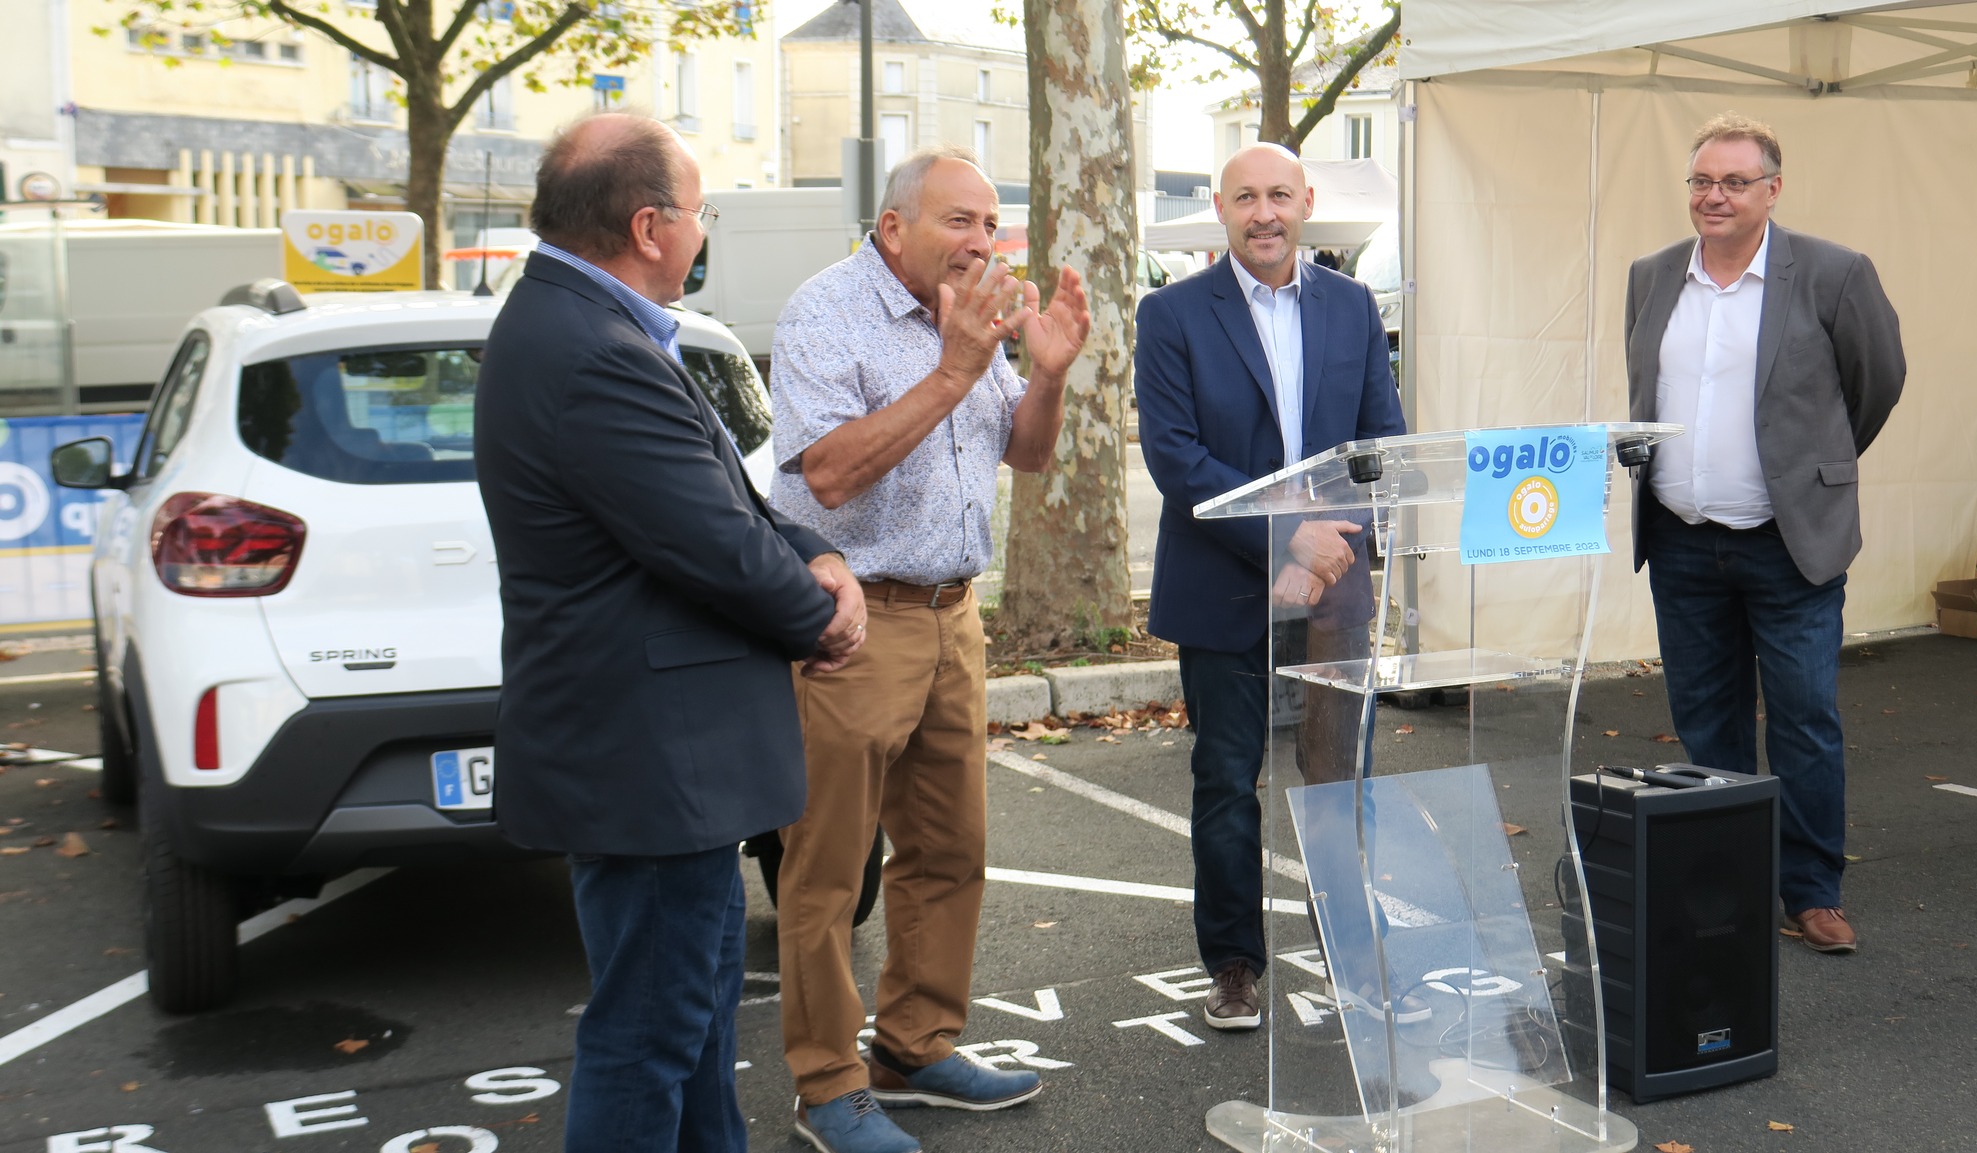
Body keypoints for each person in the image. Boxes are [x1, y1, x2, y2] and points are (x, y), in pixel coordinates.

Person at [474, 112, 866, 1153]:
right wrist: (820, 615)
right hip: (653, 765)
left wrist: (816, 555)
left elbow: (733, 506)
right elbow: (712, 548)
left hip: (662, 762)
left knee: (686, 1030)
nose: (705, 231)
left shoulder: (588, 330)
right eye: (701, 213)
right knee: (648, 1037)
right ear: (650, 227)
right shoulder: (590, 350)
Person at [768, 145, 1092, 1153]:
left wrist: (1042, 374)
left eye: (990, 222)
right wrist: (956, 366)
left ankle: (911, 1046)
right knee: (826, 872)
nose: (983, 241)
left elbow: (1026, 452)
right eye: (961, 221)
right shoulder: (824, 312)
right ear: (893, 225)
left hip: (956, 612)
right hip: (853, 619)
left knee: (949, 850)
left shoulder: (975, 311)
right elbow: (825, 475)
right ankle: (826, 1084)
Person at [1134, 142, 1406, 1033]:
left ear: (1306, 203)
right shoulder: (1171, 314)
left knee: (1336, 772)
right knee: (1225, 780)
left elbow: (1382, 447)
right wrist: (1288, 535)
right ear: (1220, 207)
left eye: (1279, 195)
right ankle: (1235, 966)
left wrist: (1327, 549)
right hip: (1223, 584)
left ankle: (1348, 952)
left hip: (1333, 586)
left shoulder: (1353, 306)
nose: (1264, 213)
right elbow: (1176, 458)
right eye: (1246, 196)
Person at [1625, 112, 1905, 955]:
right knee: (1706, 725)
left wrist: (1812, 468)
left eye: (1734, 181)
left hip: (1790, 542)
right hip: (1680, 538)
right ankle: (1725, 884)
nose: (1715, 196)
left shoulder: (1833, 273)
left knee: (1804, 719)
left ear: (1772, 190)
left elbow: (1877, 382)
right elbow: (1647, 387)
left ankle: (1812, 890)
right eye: (1702, 181)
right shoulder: (1652, 275)